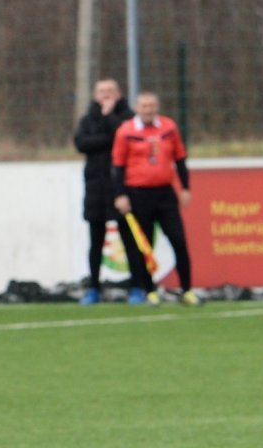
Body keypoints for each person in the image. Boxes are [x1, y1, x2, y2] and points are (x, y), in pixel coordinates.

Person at [114, 90, 196, 305]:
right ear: (137, 108)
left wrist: (185, 187)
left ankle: (187, 290)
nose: (148, 110)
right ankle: (149, 291)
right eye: (144, 106)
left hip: (165, 193)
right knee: (145, 244)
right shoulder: (126, 131)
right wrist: (120, 194)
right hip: (138, 194)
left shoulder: (169, 127)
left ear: (157, 107)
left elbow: (180, 158)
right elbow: (118, 166)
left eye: (151, 105)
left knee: (178, 240)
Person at [74, 80, 134, 304]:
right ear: (95, 95)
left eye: (110, 91)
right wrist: (108, 138)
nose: (106, 95)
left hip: (121, 187)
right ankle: (94, 288)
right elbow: (82, 143)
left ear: (119, 94)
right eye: (102, 91)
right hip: (95, 187)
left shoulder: (128, 117)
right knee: (96, 241)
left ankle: (137, 286)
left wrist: (109, 117)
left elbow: (124, 137)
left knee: (129, 238)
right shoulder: (88, 119)